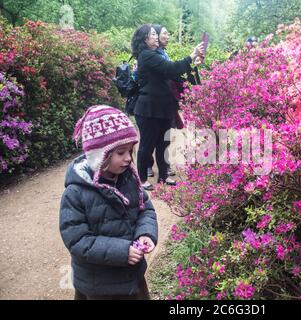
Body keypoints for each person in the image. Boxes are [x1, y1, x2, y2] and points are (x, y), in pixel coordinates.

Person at [59, 105, 158, 300]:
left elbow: (145, 209)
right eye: (121, 153)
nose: (129, 158)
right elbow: (77, 241)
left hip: (132, 278)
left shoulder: (129, 179)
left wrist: (145, 233)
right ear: (99, 155)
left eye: (130, 151)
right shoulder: (75, 193)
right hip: (99, 285)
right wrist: (122, 252)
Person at [131, 24, 204, 190]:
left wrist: (194, 64)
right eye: (152, 35)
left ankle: (163, 177)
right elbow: (171, 68)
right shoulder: (146, 56)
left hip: (163, 107)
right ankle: (141, 179)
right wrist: (191, 55)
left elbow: (175, 74)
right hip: (148, 108)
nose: (156, 37)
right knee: (147, 145)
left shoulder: (158, 55)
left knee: (162, 144)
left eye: (155, 34)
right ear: (144, 39)